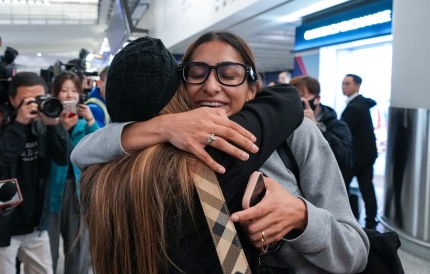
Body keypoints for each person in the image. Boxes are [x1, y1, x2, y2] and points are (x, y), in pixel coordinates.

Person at [73, 32, 369, 273]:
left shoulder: (295, 135)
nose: (211, 87)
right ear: (179, 86)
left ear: (252, 89)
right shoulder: (168, 143)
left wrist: (302, 217)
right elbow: (83, 152)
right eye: (196, 74)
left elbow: (354, 253)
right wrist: (164, 126)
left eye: (230, 74)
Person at [0, 71, 70, 274]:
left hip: (36, 224)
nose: (35, 105)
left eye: (39, 99)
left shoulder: (45, 121)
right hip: (2, 224)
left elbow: (64, 158)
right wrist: (18, 124)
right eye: (27, 100)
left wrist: (54, 126)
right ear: (11, 99)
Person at [47, 72, 98, 274]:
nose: (69, 95)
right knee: (47, 248)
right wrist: (59, 128)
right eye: (64, 90)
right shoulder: (49, 121)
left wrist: (91, 120)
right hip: (51, 191)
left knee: (78, 249)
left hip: (78, 190)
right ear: (56, 94)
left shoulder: (85, 123)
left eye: (74, 90)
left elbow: (101, 149)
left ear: (80, 94)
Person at [290, 75, 354, 171]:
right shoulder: (291, 122)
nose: (297, 101)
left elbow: (346, 159)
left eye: (302, 96)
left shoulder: (337, 125)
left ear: (317, 99)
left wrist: (316, 126)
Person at [341, 73, 378, 229]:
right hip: (367, 154)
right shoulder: (362, 102)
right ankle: (370, 220)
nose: (344, 86)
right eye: (343, 83)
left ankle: (349, 218)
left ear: (357, 85)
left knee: (341, 186)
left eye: (347, 83)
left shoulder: (355, 106)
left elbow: (342, 129)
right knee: (366, 186)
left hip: (357, 156)